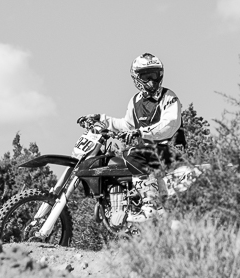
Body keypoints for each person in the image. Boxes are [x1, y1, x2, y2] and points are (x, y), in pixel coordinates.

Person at [77, 53, 184, 223]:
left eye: (154, 75)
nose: (151, 81)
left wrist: (141, 132)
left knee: (133, 153)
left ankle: (151, 205)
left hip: (170, 152)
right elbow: (127, 125)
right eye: (146, 76)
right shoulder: (135, 101)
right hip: (148, 155)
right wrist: (101, 119)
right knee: (122, 158)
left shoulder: (169, 97)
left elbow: (169, 125)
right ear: (136, 78)